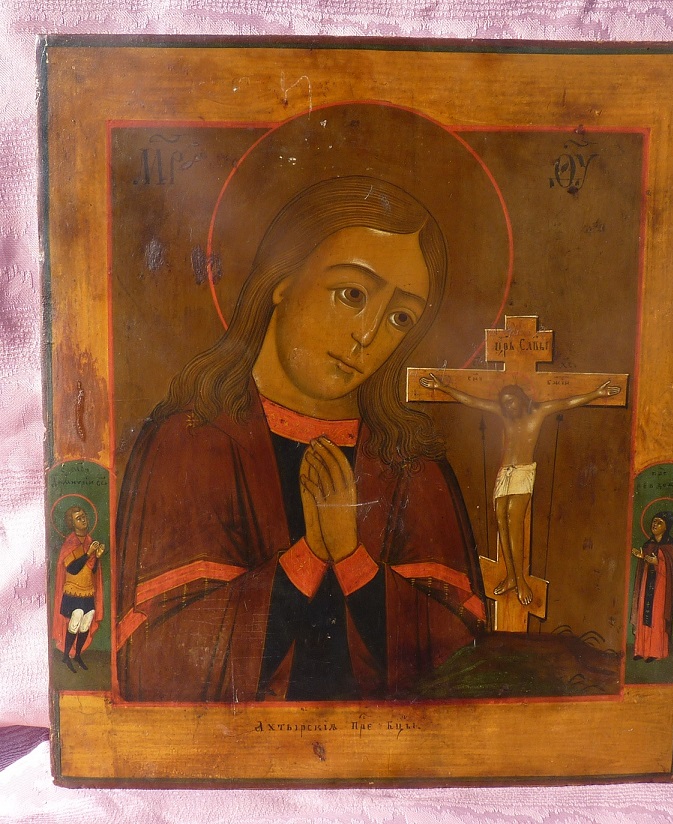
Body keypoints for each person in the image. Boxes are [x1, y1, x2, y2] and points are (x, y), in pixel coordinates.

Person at [116, 175, 487, 702]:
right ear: (283, 278)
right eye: (352, 294)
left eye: (400, 317)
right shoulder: (191, 442)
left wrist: (351, 558)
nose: (367, 335)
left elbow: (465, 661)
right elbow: (153, 661)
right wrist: (310, 556)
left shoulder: (409, 464)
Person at [419, 375, 621, 604]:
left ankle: (521, 580)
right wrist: (443, 387)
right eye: (504, 403)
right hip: (505, 471)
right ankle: (511, 577)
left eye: (511, 401)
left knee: (513, 520)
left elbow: (567, 402)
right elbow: (473, 401)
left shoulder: (539, 412)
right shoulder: (504, 413)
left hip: (524, 471)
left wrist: (596, 394)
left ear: (521, 399)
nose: (507, 407)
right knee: (501, 520)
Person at [53, 506, 105, 672]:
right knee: (75, 620)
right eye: (78, 518)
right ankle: (65, 656)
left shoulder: (90, 541)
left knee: (86, 621)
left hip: (88, 590)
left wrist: (97, 557)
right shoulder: (70, 543)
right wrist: (88, 553)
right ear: (72, 523)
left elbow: (93, 570)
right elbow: (72, 568)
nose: (83, 520)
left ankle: (77, 655)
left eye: (83, 516)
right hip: (73, 591)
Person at [630, 511, 673, 661]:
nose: (655, 525)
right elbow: (646, 559)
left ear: (666, 526)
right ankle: (641, 650)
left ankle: (655, 652)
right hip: (647, 583)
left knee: (656, 616)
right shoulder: (648, 544)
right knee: (643, 612)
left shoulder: (670, 546)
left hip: (661, 586)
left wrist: (658, 562)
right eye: (654, 521)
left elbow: (670, 566)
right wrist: (642, 556)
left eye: (659, 522)